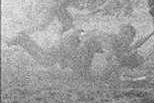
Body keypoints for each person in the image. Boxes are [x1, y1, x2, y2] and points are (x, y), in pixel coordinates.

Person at [5, 24, 142, 79]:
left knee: (83, 73)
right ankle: (23, 39)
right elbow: (111, 59)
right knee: (46, 60)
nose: (129, 42)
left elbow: (125, 53)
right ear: (123, 35)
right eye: (128, 38)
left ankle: (23, 39)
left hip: (76, 41)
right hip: (72, 41)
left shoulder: (116, 40)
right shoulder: (107, 39)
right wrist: (108, 76)